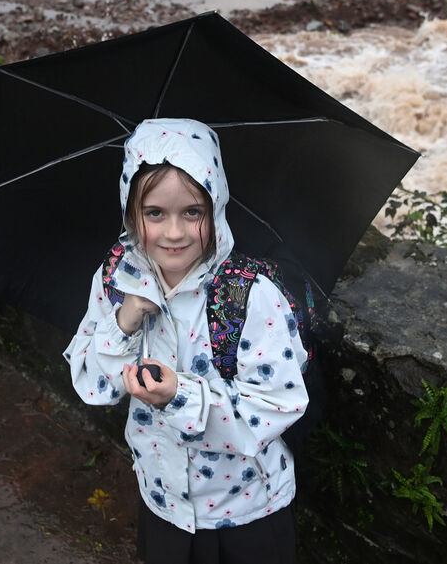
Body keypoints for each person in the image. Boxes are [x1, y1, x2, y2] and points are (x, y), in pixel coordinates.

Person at [65, 118, 309, 563]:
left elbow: (279, 404)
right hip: (164, 502)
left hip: (247, 508)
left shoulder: (249, 296)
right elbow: (94, 386)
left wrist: (180, 396)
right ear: (130, 211)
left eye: (192, 212)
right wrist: (124, 319)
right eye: (155, 213)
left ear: (214, 208)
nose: (173, 233)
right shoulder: (115, 279)